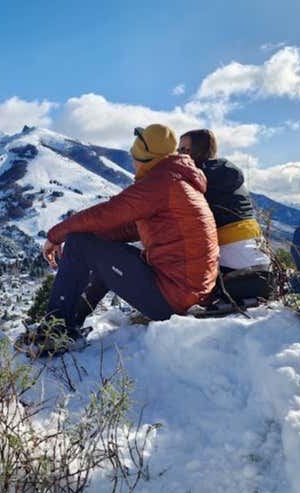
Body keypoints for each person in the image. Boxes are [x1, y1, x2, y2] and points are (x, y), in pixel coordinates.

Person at [21, 124, 219, 355]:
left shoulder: (160, 184)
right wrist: (94, 244)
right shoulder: (176, 181)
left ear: (145, 159)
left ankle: (54, 331)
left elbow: (105, 214)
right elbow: (130, 229)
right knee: (97, 250)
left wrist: (56, 235)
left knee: (78, 243)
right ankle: (68, 324)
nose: (132, 163)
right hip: (187, 291)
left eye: (134, 157)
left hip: (172, 297)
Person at [178, 129, 272, 310]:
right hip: (261, 265)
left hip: (234, 271)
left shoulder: (197, 178)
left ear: (198, 150)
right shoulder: (228, 174)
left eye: (183, 150)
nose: (179, 155)